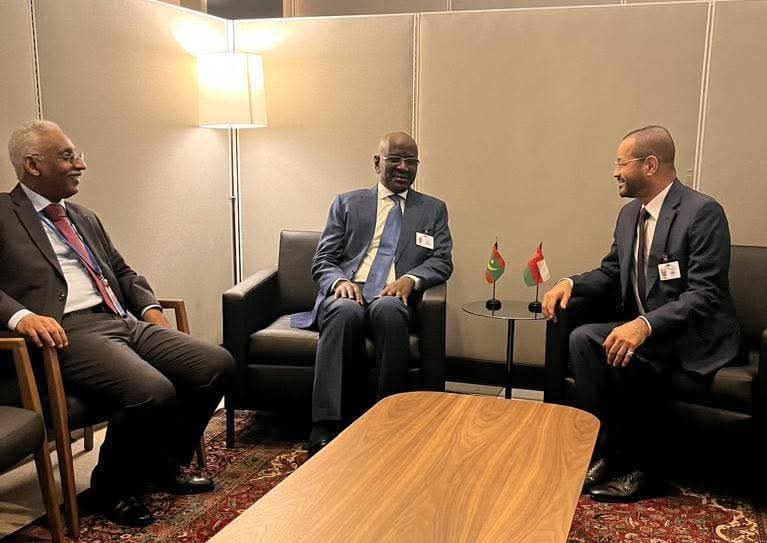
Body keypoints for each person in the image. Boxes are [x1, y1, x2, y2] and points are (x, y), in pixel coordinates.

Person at [1, 120, 235, 526]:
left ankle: (162, 464)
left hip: (120, 319)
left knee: (215, 364)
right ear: (33, 165)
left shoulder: (82, 216)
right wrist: (21, 316)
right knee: (151, 391)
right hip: (66, 330)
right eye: (68, 156)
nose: (81, 165)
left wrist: (150, 310)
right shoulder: (4, 214)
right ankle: (112, 487)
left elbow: (123, 272)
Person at [541, 125, 740, 502]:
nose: (615, 172)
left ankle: (645, 469)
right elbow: (612, 272)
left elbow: (706, 294)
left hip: (691, 335)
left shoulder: (702, 212)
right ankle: (605, 451)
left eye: (621, 163)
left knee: (634, 357)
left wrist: (646, 325)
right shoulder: (629, 215)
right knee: (583, 339)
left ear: (649, 165)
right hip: (647, 330)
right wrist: (571, 283)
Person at [291, 131, 453, 457]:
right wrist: (338, 282)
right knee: (343, 312)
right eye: (395, 159)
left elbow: (442, 260)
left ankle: (386, 423)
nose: (403, 167)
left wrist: (410, 279)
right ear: (378, 162)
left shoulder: (433, 209)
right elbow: (324, 259)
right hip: (349, 289)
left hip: (391, 294)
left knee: (390, 312)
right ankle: (325, 424)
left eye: (411, 161)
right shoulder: (347, 203)